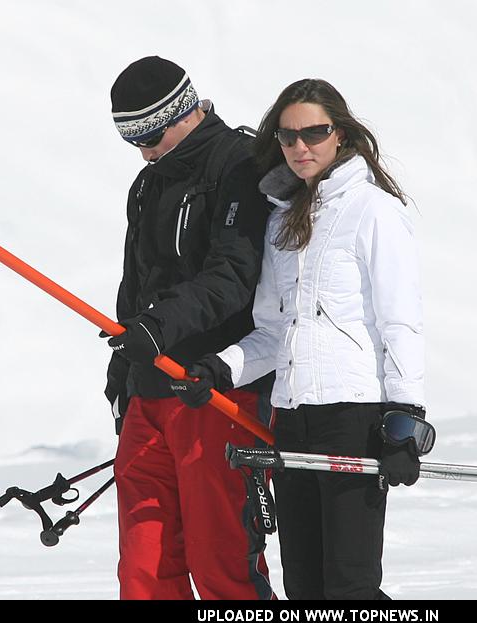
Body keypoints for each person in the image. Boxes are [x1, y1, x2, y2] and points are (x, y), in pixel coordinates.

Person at [172, 78, 432, 600]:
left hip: (353, 417)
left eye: (314, 132)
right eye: (289, 137)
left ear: (341, 133)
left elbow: (399, 322)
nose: (300, 147)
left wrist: (405, 421)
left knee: (350, 589)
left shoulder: (374, 211)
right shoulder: (282, 223)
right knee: (305, 589)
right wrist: (220, 369)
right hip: (290, 419)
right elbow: (271, 331)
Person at [102, 56, 275, 600]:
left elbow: (233, 275)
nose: (146, 151)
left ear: (183, 112)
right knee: (145, 569)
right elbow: (136, 284)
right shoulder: (149, 182)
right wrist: (121, 372)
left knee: (221, 559)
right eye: (135, 143)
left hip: (214, 390)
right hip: (149, 391)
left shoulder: (240, 167)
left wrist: (158, 328)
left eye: (151, 136)